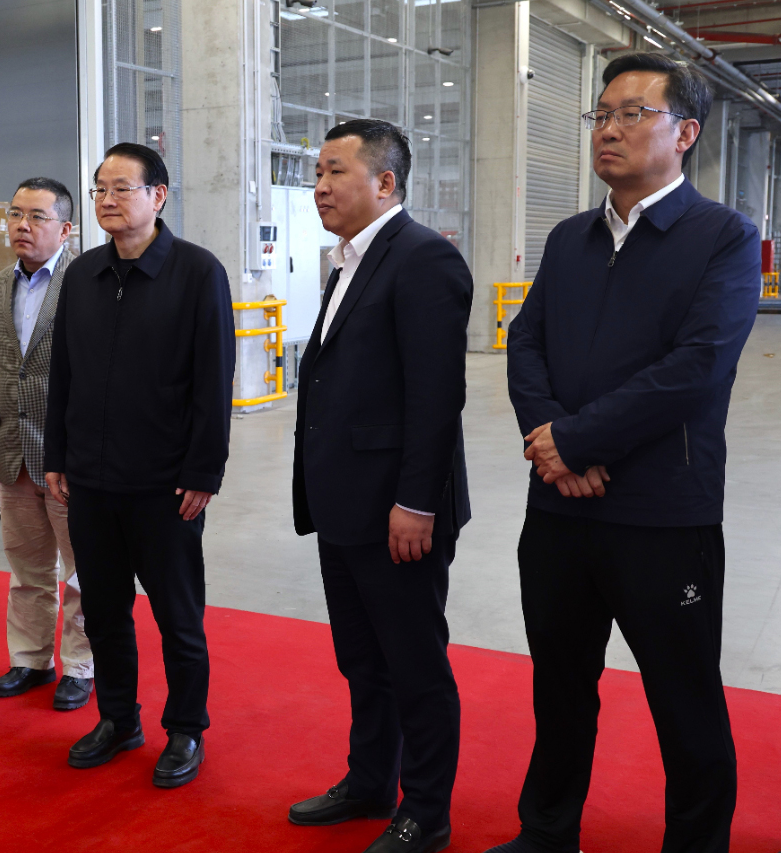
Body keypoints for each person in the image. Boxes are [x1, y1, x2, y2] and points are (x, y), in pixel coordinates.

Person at [489, 53, 760, 853]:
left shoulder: (723, 238)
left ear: (685, 133)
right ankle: (546, 832)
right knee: (559, 685)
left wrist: (576, 440)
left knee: (684, 696)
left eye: (632, 113)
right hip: (559, 511)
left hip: (661, 512)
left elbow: (696, 366)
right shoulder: (570, 237)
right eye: (601, 114)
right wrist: (551, 441)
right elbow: (525, 342)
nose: (608, 129)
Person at [287, 119, 472, 853]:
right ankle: (370, 781)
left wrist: (416, 501)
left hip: (400, 510)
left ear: (385, 182)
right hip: (345, 503)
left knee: (414, 666)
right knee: (363, 660)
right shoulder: (348, 262)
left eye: (335, 172)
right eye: (318, 173)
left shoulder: (422, 258)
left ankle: (426, 811)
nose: (320, 187)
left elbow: (436, 396)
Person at [44, 143, 235, 788]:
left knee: (177, 616)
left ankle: (185, 730)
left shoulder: (196, 272)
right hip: (91, 482)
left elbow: (214, 381)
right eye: (99, 189)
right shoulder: (83, 274)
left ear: (158, 195)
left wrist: (204, 471)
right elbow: (63, 373)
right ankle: (118, 719)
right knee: (103, 611)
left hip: (165, 485)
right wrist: (57, 455)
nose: (107, 200)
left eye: (121, 188)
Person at [0, 177, 94, 711]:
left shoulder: (87, 281)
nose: (21, 226)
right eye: (14, 214)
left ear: (66, 228)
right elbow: (12, 369)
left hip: (67, 455)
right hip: (13, 449)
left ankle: (80, 665)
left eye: (36, 216)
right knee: (27, 569)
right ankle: (30, 659)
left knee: (82, 572)